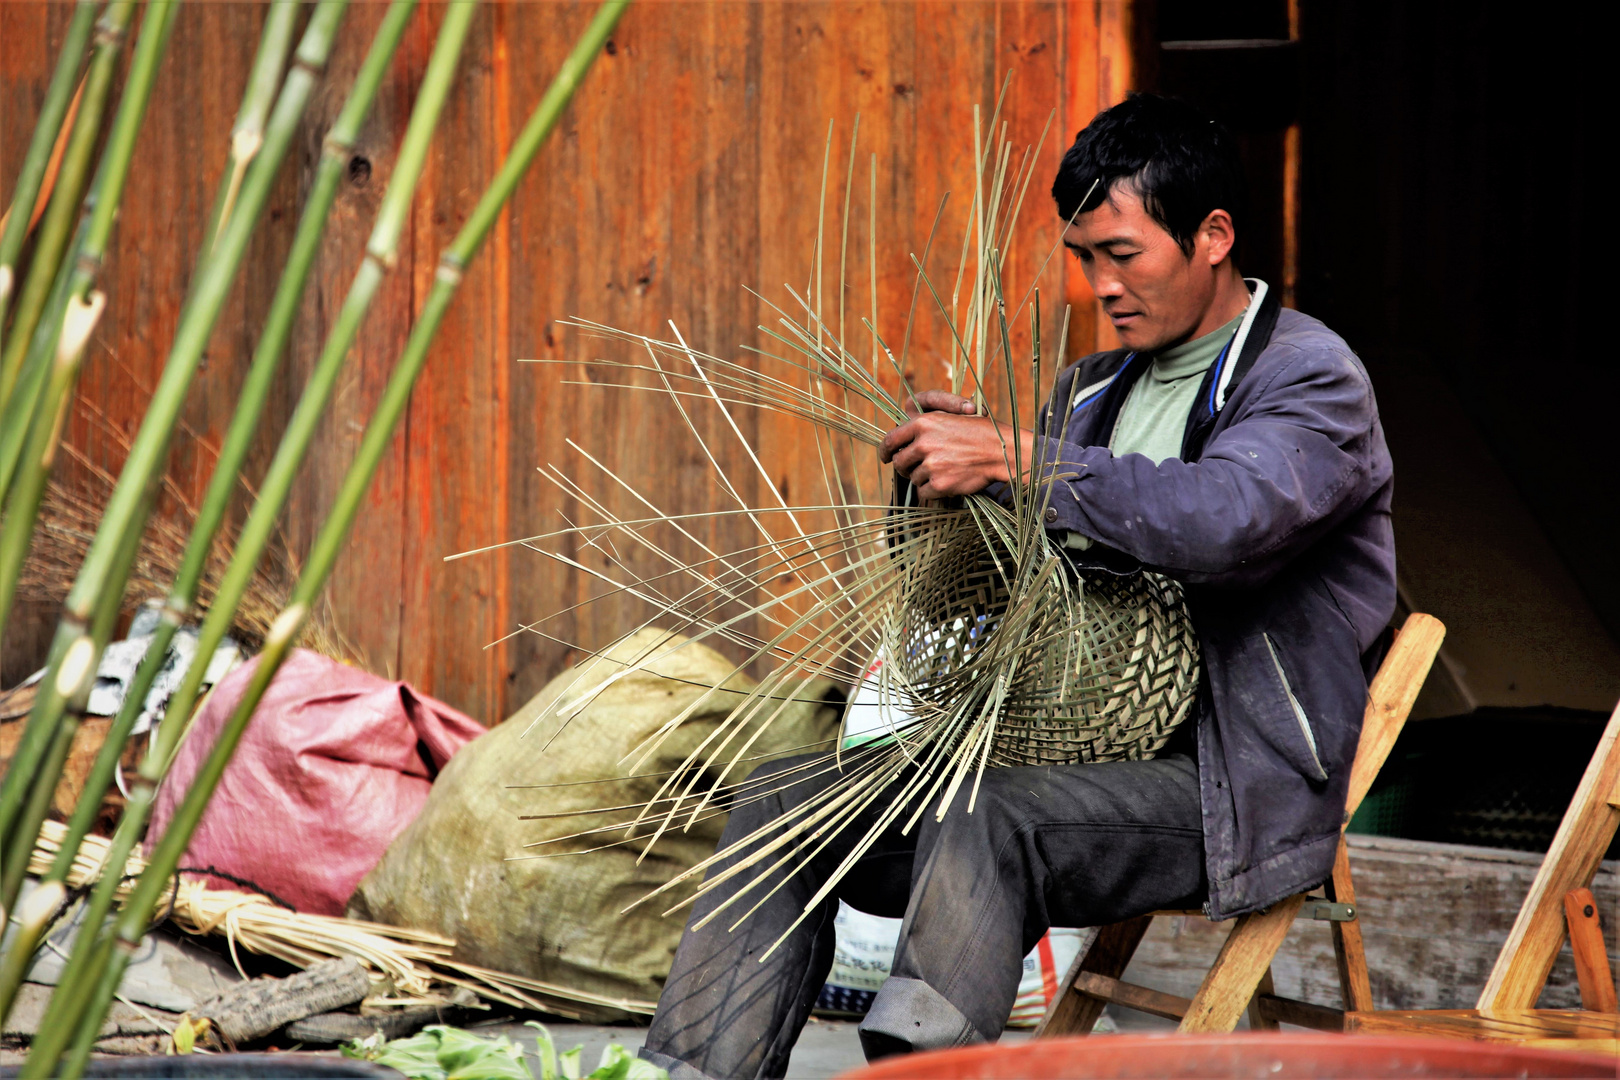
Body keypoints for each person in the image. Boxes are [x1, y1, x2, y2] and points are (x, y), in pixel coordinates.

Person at [638, 93, 1395, 1079]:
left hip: (1223, 781)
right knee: (785, 797)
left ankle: (916, 1071)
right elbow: (1001, 590)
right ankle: (693, 1071)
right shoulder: (1089, 393)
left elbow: (1227, 522)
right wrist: (945, 499)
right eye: (1085, 259)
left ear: (1213, 237)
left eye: (1123, 254)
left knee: (983, 809)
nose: (1102, 286)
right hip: (1053, 747)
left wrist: (1021, 459)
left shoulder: (1310, 378)